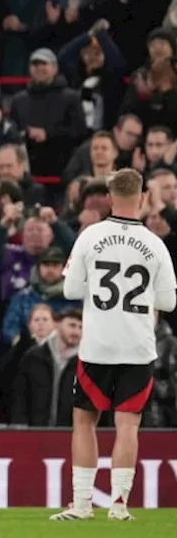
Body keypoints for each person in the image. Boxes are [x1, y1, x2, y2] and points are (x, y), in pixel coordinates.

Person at [53, 168, 177, 521]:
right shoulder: (155, 243)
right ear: (141, 197)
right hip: (137, 346)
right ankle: (119, 505)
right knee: (127, 426)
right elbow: (168, 302)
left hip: (98, 346)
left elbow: (71, 291)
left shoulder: (91, 236)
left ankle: (81, 504)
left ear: (109, 197)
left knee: (84, 422)